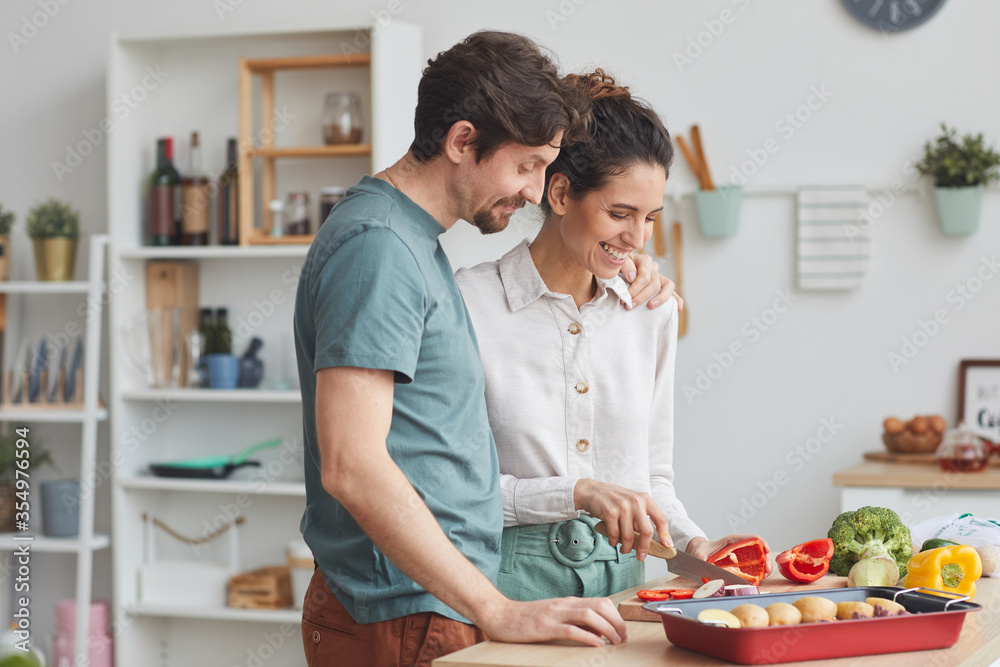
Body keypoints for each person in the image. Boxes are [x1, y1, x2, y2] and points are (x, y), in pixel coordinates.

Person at [293, 33, 676, 667]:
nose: (534, 192)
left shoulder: (410, 244)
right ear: (462, 141)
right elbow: (351, 465)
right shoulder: (379, 248)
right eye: (526, 166)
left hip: (428, 605)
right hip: (401, 608)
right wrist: (496, 608)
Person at [455, 70, 771, 601]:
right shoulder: (467, 305)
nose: (637, 237)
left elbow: (652, 477)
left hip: (625, 586)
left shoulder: (652, 310)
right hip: (500, 586)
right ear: (559, 192)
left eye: (649, 217)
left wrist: (695, 545)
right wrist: (574, 494)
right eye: (619, 213)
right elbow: (450, 492)